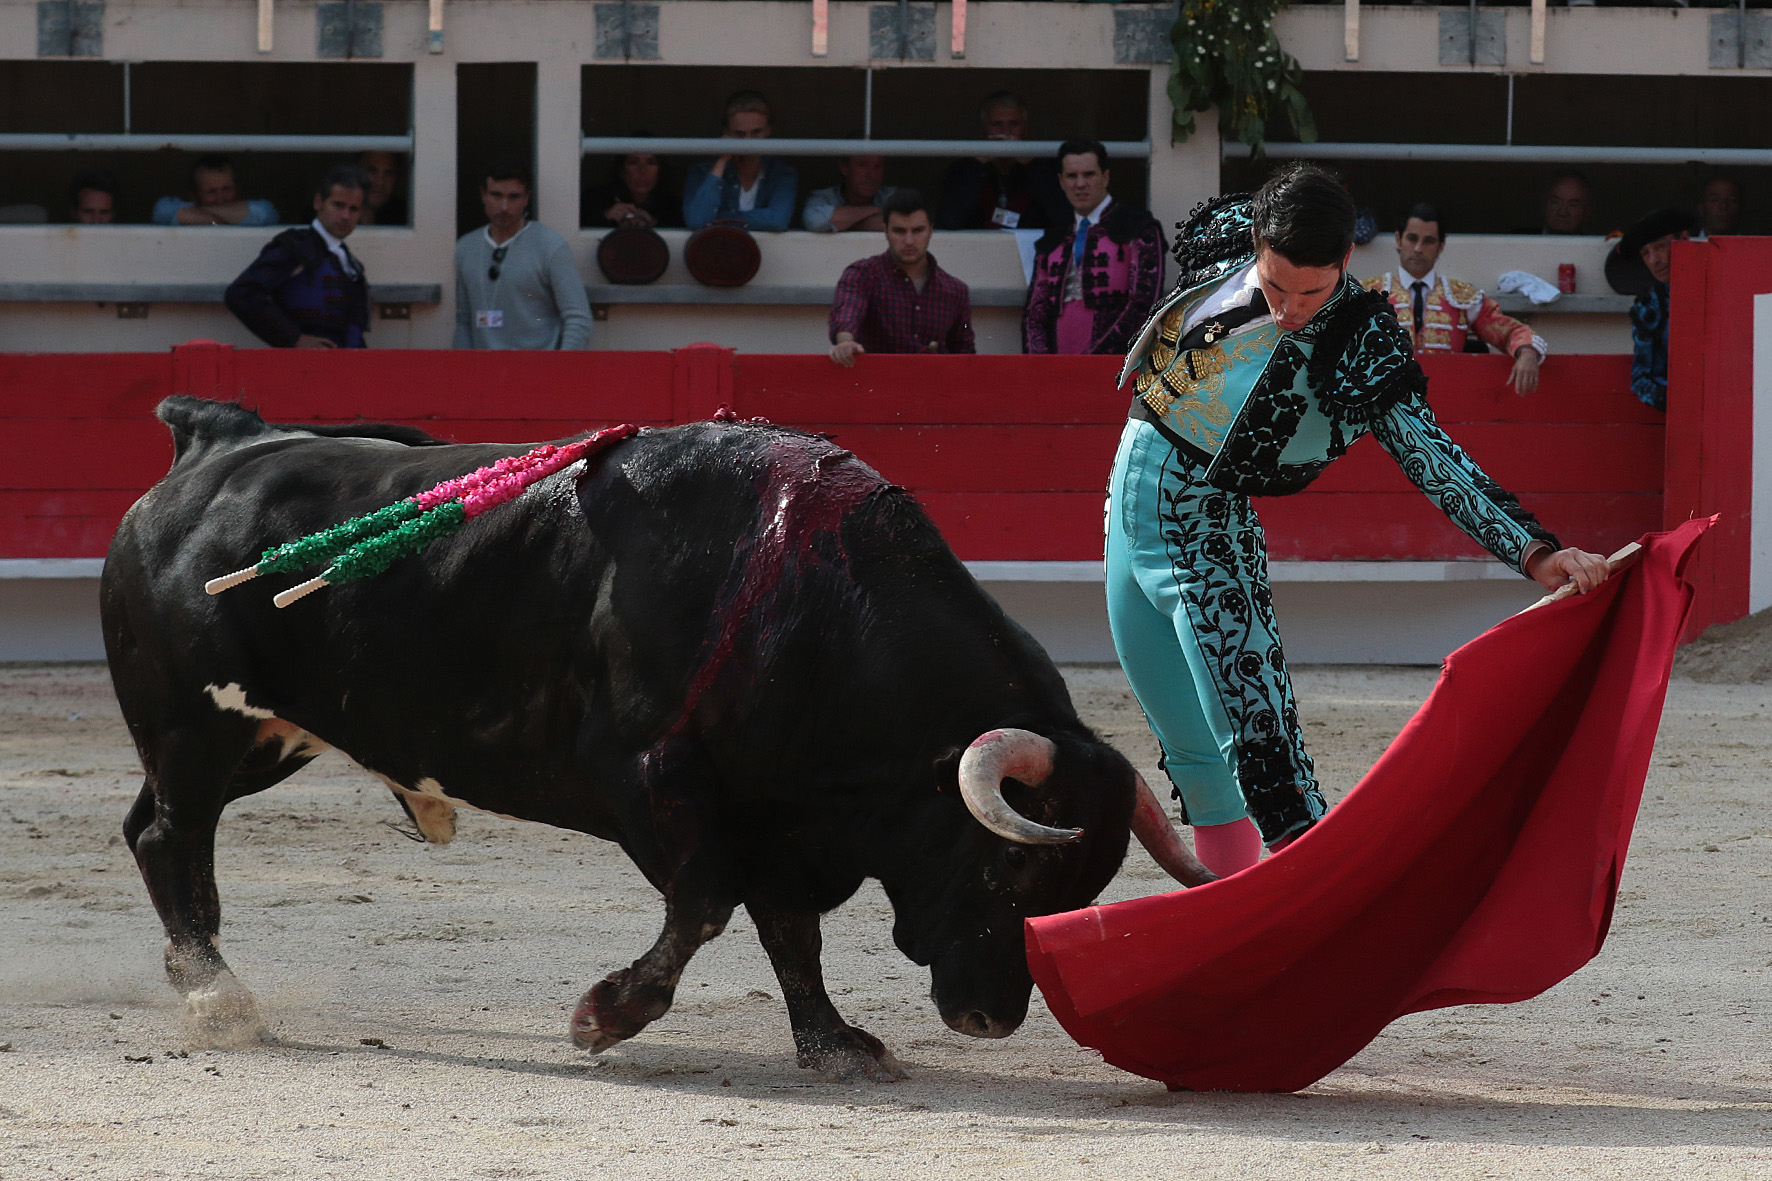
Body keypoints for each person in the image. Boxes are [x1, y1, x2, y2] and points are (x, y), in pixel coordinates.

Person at [1107, 164, 1613, 878]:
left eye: (1313, 292)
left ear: (1346, 261)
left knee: (1264, 752)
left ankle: (1311, 915)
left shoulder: (1359, 335)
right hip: (1124, 522)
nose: (1291, 310)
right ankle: (1221, 917)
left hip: (1209, 535)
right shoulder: (1232, 238)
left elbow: (1431, 456)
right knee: (1191, 751)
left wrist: (1535, 552)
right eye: (1278, 287)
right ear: (1256, 242)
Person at [1362, 202, 1546, 394]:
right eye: (1412, 238)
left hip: (1448, 398)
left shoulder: (1462, 297)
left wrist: (1526, 351)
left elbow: (1508, 330)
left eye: (1428, 241)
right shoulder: (1369, 294)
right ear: (1399, 240)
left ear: (1441, 246)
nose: (1418, 248)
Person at [1021, 139, 1164, 355]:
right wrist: (1042, 366)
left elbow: (1142, 306)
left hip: (1116, 366)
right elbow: (1035, 313)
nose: (1080, 184)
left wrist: (1096, 360)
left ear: (1105, 177)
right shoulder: (1054, 237)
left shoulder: (1139, 228)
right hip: (1057, 370)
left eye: (1089, 175)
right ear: (1061, 181)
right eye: (1072, 176)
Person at [223, 165, 370, 349]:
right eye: (338, 205)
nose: (345, 216)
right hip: (300, 367)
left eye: (353, 209)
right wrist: (294, 339)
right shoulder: (295, 247)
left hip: (346, 368)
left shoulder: (350, 263)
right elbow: (242, 293)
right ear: (318, 202)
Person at [453, 158, 592, 351]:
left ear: (526, 198)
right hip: (482, 371)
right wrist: (463, 367)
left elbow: (578, 317)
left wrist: (559, 368)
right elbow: (464, 320)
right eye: (496, 195)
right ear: (483, 195)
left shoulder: (550, 246)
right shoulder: (466, 247)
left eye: (514, 197)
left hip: (538, 369)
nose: (504, 207)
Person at [827, 189, 975, 367]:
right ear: (885, 231)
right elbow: (848, 309)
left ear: (930, 231)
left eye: (918, 230)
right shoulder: (862, 274)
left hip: (933, 389)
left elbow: (965, 354)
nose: (909, 241)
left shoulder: (955, 290)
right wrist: (845, 342)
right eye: (899, 231)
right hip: (878, 387)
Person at [934, 92, 1067, 232]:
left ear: (1026, 131)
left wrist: (1031, 165)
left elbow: (1064, 218)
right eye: (996, 124)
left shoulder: (1046, 168)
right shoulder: (962, 169)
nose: (1005, 132)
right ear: (982, 132)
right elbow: (949, 221)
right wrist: (977, 164)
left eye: (1014, 124)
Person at [1612, 207, 1696, 413]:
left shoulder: (1722, 284)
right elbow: (1642, 379)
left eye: (1659, 247)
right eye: (1645, 253)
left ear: (1684, 239)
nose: (1653, 261)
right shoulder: (1649, 307)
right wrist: (1681, 402)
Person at [682, 91, 797, 232]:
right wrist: (721, 161)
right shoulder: (703, 172)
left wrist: (719, 218)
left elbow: (777, 220)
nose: (748, 141)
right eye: (740, 134)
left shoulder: (783, 173)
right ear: (726, 132)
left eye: (756, 132)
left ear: (768, 130)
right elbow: (697, 221)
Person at [152, 155, 278, 227]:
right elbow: (161, 213)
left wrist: (205, 215)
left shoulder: (258, 211)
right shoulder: (178, 209)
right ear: (194, 195)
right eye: (211, 192)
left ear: (237, 188)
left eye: (227, 189)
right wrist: (214, 220)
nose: (221, 198)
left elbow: (268, 215)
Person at [583, 146, 682, 229]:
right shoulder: (595, 199)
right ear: (621, 171)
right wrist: (606, 216)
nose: (642, 170)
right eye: (634, 162)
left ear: (660, 171)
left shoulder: (674, 207)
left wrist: (653, 223)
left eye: (651, 163)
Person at [802, 154, 897, 233]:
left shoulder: (892, 196)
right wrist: (873, 210)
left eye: (877, 166)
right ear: (843, 167)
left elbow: (902, 223)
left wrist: (841, 222)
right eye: (862, 165)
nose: (870, 175)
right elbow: (814, 221)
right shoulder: (824, 197)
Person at [355, 151, 407, 226]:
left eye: (388, 173)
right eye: (373, 171)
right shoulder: (340, 210)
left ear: (397, 178)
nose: (380, 182)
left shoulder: (408, 215)